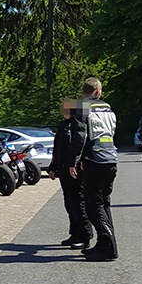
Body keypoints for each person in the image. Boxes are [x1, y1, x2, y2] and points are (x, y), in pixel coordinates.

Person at [68, 77, 118, 261]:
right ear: (97, 91)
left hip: (94, 160)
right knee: (104, 203)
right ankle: (104, 244)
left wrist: (73, 160)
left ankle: (109, 246)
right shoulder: (108, 107)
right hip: (110, 157)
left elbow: (80, 136)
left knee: (93, 205)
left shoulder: (82, 107)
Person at [49, 98, 92, 249]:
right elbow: (58, 148)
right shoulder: (63, 125)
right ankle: (75, 233)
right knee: (69, 202)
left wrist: (74, 163)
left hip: (74, 169)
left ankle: (85, 235)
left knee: (78, 201)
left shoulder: (78, 123)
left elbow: (79, 145)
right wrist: (53, 166)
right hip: (63, 168)